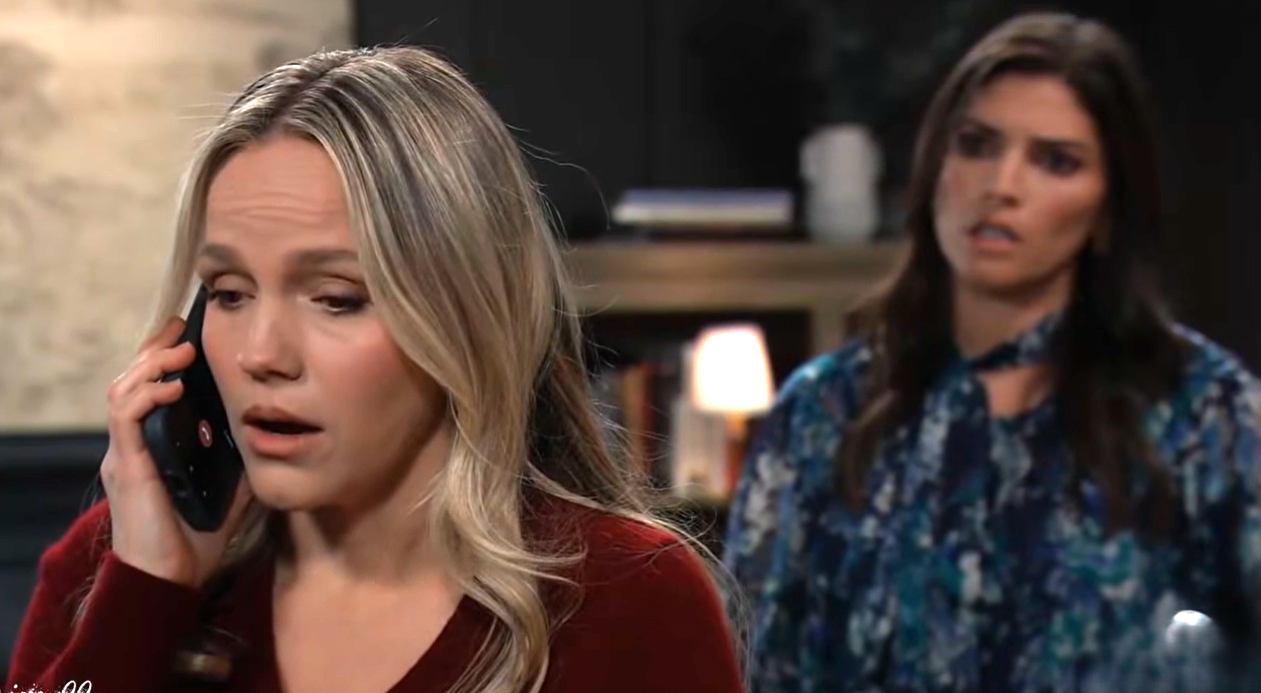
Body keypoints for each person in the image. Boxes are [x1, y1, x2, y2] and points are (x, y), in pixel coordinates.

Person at [7, 47, 744, 693]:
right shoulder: (120, 562)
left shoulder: (627, 598)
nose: (261, 354)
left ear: (463, 317)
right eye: (229, 293)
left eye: (336, 298)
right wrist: (143, 598)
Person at [724, 12, 1261, 693]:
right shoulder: (824, 410)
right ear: (934, 167)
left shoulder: (1200, 409)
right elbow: (759, 665)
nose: (1001, 184)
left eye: (1055, 161)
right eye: (976, 145)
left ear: (1107, 208)